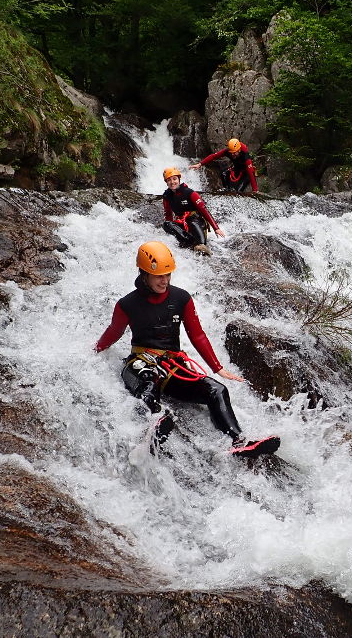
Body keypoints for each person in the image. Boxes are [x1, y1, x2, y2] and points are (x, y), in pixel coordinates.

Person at [94, 240, 279, 457]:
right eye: (159, 276)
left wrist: (217, 368)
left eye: (168, 275)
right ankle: (153, 426)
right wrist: (95, 350)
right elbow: (114, 332)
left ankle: (238, 441)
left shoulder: (181, 298)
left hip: (172, 367)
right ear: (144, 274)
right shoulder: (127, 304)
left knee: (217, 390)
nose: (165, 281)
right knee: (147, 383)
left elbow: (197, 334)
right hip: (139, 364)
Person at [160, 167, 224, 256]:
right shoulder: (167, 196)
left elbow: (204, 210)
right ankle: (192, 244)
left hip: (197, 221)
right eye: (169, 180)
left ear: (179, 179)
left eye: (174, 179)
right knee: (166, 224)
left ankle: (198, 244)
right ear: (166, 182)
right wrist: (170, 231)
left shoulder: (189, 193)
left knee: (192, 222)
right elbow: (168, 214)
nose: (172, 182)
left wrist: (216, 228)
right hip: (182, 223)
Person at [190, 138, 259, 193]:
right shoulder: (228, 151)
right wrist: (200, 164)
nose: (232, 155)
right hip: (236, 169)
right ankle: (226, 191)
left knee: (238, 191)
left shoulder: (245, 155)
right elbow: (214, 156)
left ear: (239, 150)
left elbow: (251, 172)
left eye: (234, 153)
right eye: (231, 153)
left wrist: (255, 190)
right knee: (224, 174)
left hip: (246, 172)